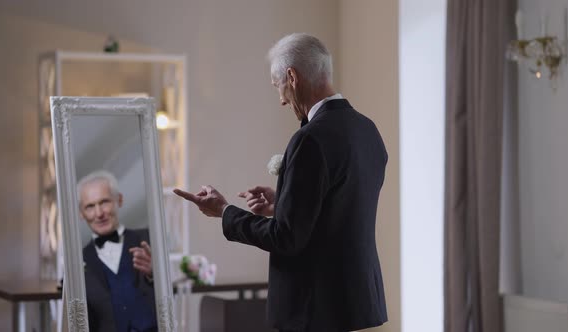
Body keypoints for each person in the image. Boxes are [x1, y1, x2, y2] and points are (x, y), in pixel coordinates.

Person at [174, 33, 388, 332]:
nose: (281, 100)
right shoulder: (367, 130)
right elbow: (339, 207)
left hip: (313, 308)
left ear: (292, 76)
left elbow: (286, 238)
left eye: (279, 87)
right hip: (354, 300)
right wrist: (283, 203)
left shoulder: (310, 138)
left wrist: (224, 210)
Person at [78, 170, 158, 332]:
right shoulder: (79, 260)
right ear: (81, 214)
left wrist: (154, 273)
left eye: (105, 202)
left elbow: (172, 293)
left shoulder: (149, 239)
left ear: (119, 200)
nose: (99, 213)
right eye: (90, 206)